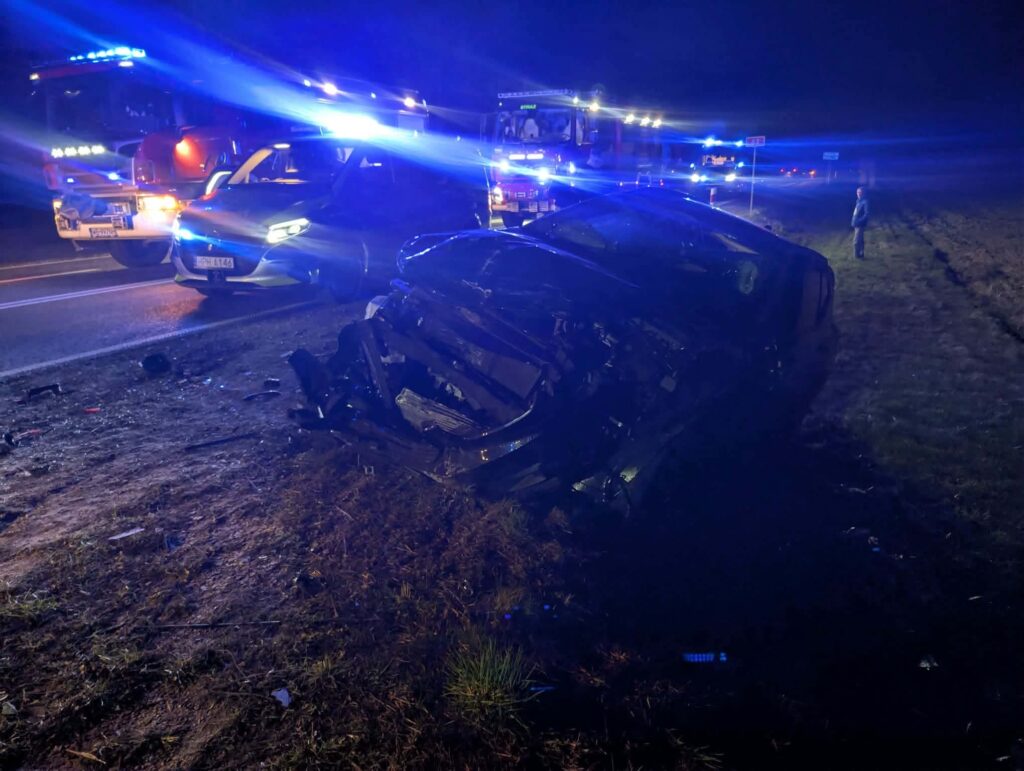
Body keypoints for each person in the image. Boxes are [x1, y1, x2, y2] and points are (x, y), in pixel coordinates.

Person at [851, 186, 869, 259]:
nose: (858, 194)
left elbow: (867, 214)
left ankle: (856, 256)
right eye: (857, 192)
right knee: (860, 240)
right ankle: (861, 254)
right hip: (856, 223)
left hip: (860, 224)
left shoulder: (865, 202)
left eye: (860, 192)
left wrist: (859, 221)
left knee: (856, 241)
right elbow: (856, 212)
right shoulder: (858, 201)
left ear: (863, 193)